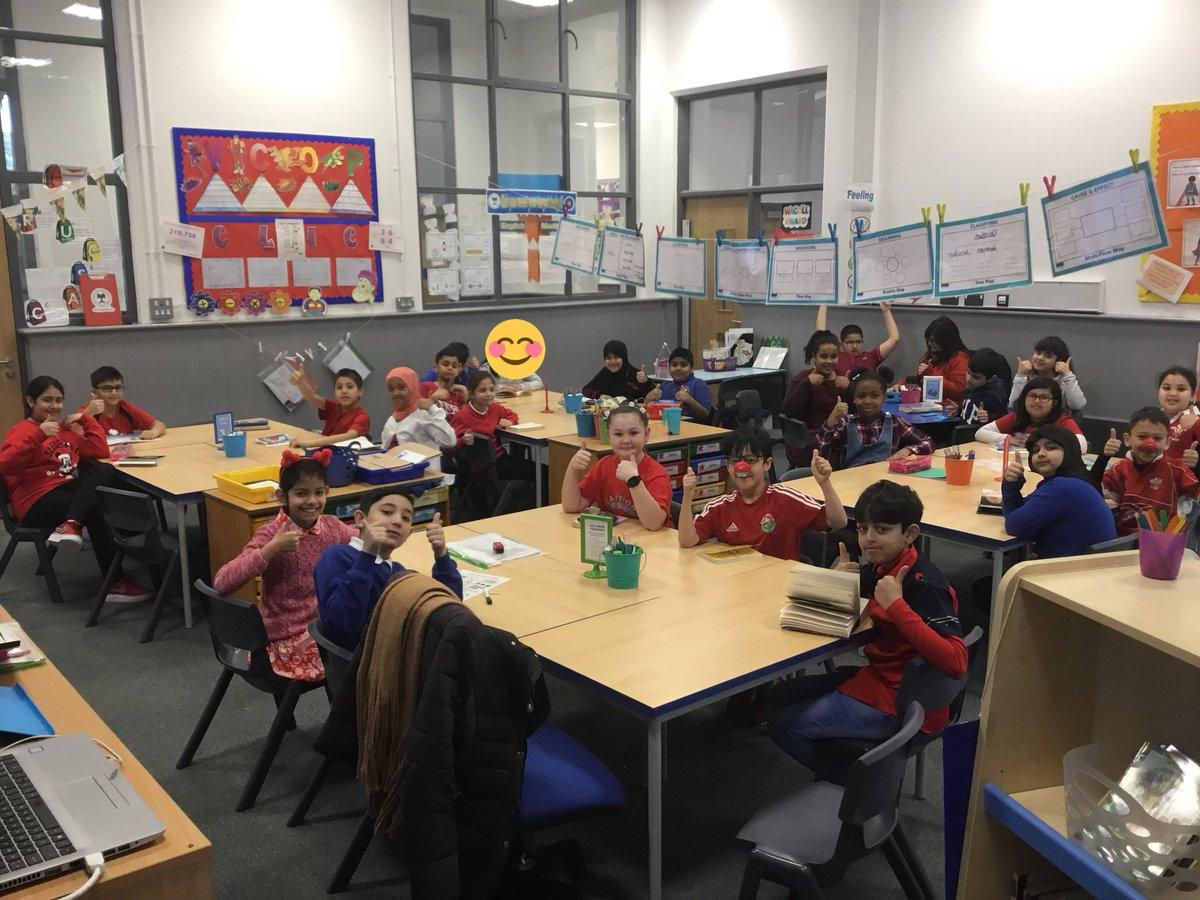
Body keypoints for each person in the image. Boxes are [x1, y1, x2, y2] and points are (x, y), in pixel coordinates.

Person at [767, 480, 967, 770]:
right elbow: (859, 596)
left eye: (882, 530)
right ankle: (849, 758)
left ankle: (857, 782)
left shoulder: (923, 585)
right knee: (778, 695)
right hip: (884, 678)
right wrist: (838, 580)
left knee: (782, 725)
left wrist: (896, 606)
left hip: (904, 702)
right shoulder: (883, 566)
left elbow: (958, 662)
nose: (869, 538)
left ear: (910, 533)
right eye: (862, 529)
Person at [0, 375, 149, 601]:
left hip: (66, 491)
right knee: (96, 507)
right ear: (30, 402)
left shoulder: (64, 430)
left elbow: (99, 451)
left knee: (106, 471)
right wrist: (39, 434)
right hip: (35, 501)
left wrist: (86, 420)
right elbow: (4, 464)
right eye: (47, 400)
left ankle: (71, 523)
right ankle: (115, 583)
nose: (54, 406)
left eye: (58, 400)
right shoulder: (23, 430)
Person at [213, 451, 357, 681]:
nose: (312, 501)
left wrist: (375, 531)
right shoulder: (271, 533)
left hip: (319, 627)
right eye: (301, 493)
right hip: (283, 640)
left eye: (319, 492)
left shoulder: (332, 527)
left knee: (369, 637)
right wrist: (271, 549)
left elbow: (361, 542)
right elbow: (222, 582)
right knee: (357, 657)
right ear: (283, 496)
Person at [315, 488, 462, 651]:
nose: (397, 521)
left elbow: (449, 609)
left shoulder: (399, 572)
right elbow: (341, 627)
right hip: (365, 660)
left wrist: (441, 556)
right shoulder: (338, 556)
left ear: (409, 533)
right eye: (386, 512)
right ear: (360, 519)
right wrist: (367, 555)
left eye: (406, 518)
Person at [678, 425, 846, 559]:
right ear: (728, 466)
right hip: (735, 582)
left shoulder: (785, 499)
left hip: (777, 583)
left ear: (767, 463)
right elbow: (687, 540)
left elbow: (839, 521)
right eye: (734, 461)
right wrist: (687, 497)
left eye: (751, 460)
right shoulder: (719, 506)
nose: (741, 468)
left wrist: (825, 483)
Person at [1001, 425, 1116, 558]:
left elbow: (1014, 527)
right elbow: (1018, 515)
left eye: (1051, 448)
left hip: (1068, 568)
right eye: (1035, 450)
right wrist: (1011, 484)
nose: (1041, 454)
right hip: (1087, 566)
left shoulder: (1062, 487)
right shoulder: (1074, 480)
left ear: (1069, 452)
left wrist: (1010, 488)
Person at [561, 404, 671, 529]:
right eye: (618, 434)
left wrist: (633, 480)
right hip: (616, 536)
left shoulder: (656, 473)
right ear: (608, 436)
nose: (626, 440)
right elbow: (571, 506)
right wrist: (572, 468)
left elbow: (654, 524)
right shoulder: (603, 466)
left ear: (646, 435)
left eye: (633, 433)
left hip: (652, 540)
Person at [1095, 407, 1200, 536]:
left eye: (1157, 438)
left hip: (1163, 541)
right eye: (1142, 436)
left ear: (1167, 442)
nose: (1149, 444)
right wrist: (1104, 457)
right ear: (1128, 439)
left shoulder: (1178, 470)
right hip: (1124, 540)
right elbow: (1093, 492)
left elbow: (1195, 496)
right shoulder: (1119, 469)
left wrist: (1195, 468)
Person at [814, 372, 932, 467]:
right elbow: (820, 453)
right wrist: (831, 421)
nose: (867, 401)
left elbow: (927, 442)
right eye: (861, 396)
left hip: (885, 481)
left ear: (884, 398)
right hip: (852, 481)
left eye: (874, 396)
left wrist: (907, 450)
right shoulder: (845, 423)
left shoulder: (895, 422)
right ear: (854, 398)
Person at [780, 330, 849, 466]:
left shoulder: (842, 379)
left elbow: (856, 410)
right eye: (823, 356)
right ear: (814, 356)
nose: (829, 361)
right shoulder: (802, 379)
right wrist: (806, 384)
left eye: (833, 356)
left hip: (840, 434)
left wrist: (850, 387)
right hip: (810, 440)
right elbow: (786, 410)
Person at [450, 370, 531, 480]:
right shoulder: (462, 416)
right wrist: (462, 441)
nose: (488, 394)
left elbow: (512, 415)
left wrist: (509, 421)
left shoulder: (494, 408)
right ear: (471, 394)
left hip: (500, 458)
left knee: (539, 469)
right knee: (540, 471)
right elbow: (448, 445)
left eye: (492, 390)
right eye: (482, 390)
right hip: (483, 468)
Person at [974, 377, 1087, 452]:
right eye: (1032, 396)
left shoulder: (1062, 420)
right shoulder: (1017, 417)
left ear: (1055, 403)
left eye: (1044, 397)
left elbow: (1082, 445)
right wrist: (1009, 439)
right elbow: (980, 433)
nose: (1037, 401)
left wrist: (1040, 444)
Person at [289, 364, 370, 449]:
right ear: (334, 391)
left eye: (349, 387)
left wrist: (309, 443)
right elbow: (312, 397)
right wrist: (300, 382)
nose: (344, 391)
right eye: (339, 387)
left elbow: (348, 436)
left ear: (360, 391)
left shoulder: (362, 417)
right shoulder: (334, 407)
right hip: (322, 450)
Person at [379, 367, 456, 452]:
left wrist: (433, 409)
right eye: (391, 389)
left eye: (401, 387)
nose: (395, 393)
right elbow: (384, 447)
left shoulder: (425, 415)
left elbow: (450, 441)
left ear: (412, 387)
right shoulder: (392, 419)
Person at [816, 300, 900, 375]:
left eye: (858, 342)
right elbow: (820, 335)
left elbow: (894, 338)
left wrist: (886, 311)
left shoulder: (871, 357)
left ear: (862, 342)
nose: (855, 346)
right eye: (849, 342)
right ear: (841, 344)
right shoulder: (834, 358)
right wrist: (824, 303)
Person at [84, 365, 166, 439]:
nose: (114, 392)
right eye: (107, 388)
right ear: (94, 392)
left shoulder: (125, 408)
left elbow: (159, 425)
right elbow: (76, 436)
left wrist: (153, 433)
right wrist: (88, 414)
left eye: (118, 387)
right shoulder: (88, 410)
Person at [1009, 336, 1086, 413]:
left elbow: (1077, 405)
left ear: (1059, 360)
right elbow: (1013, 405)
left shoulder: (1065, 379)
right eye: (1038, 353)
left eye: (1048, 356)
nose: (1040, 358)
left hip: (1057, 419)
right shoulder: (1026, 376)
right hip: (1028, 418)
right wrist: (1020, 375)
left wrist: (1067, 375)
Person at [908, 316, 970, 405]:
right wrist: (902, 385)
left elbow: (960, 392)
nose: (930, 344)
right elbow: (918, 381)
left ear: (945, 342)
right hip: (927, 404)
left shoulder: (960, 360)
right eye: (928, 340)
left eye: (933, 341)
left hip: (946, 408)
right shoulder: (931, 354)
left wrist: (932, 376)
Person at [644, 346, 712, 422]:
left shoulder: (699, 385)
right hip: (665, 425)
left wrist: (690, 401)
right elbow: (649, 414)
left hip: (692, 427)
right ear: (669, 367)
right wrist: (647, 401)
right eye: (674, 365)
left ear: (691, 367)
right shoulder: (664, 385)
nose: (678, 368)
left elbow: (705, 415)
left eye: (683, 365)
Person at [580, 339, 653, 401]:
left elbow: (652, 394)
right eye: (608, 358)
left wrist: (646, 381)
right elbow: (586, 389)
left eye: (616, 357)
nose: (612, 361)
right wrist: (599, 395)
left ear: (624, 358)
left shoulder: (635, 374)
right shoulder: (604, 373)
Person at [1157, 366, 1200, 461]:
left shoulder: (1196, 420)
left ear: (1193, 395)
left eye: (1181, 389)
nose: (1172, 393)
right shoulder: (1151, 418)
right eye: (1166, 388)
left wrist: (1197, 425)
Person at [959, 348, 1011, 425]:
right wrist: (958, 410)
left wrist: (989, 417)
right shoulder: (973, 386)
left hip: (978, 431)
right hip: (963, 428)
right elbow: (970, 411)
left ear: (990, 378)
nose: (969, 379)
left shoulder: (994, 395)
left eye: (976, 377)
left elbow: (1003, 419)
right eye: (968, 372)